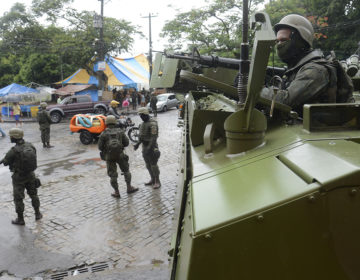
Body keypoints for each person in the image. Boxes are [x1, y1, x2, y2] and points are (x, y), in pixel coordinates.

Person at [261, 14, 353, 115]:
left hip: (317, 128)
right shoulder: (297, 69)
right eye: (277, 41)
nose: (279, 45)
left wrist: (254, 90)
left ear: (300, 40)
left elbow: (285, 101)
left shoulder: (316, 70)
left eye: (283, 40)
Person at [0, 128, 42, 225]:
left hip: (19, 177)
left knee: (18, 198)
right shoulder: (30, 145)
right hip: (31, 175)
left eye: (11, 136)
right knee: (34, 195)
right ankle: (38, 214)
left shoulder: (13, 150)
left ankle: (20, 219)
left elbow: (6, 162)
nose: (10, 137)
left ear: (15, 137)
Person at [98, 115, 138, 198]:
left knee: (113, 175)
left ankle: (116, 192)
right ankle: (129, 187)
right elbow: (126, 143)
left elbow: (100, 147)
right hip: (120, 155)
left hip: (109, 157)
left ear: (107, 123)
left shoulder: (104, 134)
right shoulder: (120, 132)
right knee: (126, 171)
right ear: (114, 122)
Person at [134, 107, 161, 189]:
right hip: (145, 147)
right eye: (140, 116)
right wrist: (138, 144)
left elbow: (154, 137)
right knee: (148, 165)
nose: (141, 117)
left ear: (146, 114)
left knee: (153, 165)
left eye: (142, 115)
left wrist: (149, 148)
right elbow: (141, 136)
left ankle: (157, 181)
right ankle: (152, 179)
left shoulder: (152, 124)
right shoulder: (142, 124)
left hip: (152, 147)